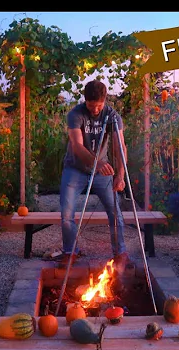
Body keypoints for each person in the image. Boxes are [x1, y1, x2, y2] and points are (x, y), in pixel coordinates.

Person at [59, 80, 130, 271]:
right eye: (92, 106)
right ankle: (70, 252)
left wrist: (120, 176)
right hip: (75, 169)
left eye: (99, 105)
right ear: (85, 101)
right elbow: (77, 146)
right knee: (67, 214)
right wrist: (97, 163)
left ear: (104, 100)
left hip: (102, 171)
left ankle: (120, 253)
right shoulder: (76, 114)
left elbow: (119, 147)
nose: (96, 109)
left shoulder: (112, 116)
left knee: (115, 212)